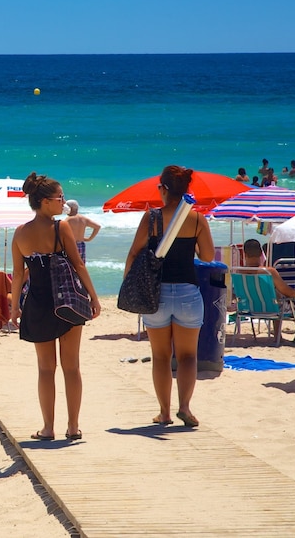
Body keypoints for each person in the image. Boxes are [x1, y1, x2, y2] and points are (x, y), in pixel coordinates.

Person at [9, 172, 99, 442]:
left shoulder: (20, 233)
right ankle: (72, 427)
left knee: (45, 369)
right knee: (71, 367)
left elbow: (17, 274)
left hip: (37, 303)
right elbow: (78, 265)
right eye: (60, 197)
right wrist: (94, 298)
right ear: (46, 202)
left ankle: (48, 428)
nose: (63, 202)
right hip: (67, 301)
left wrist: (14, 307)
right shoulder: (61, 228)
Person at [124, 166, 214, 427]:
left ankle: (164, 412)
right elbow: (207, 257)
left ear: (163, 188)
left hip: (156, 294)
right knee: (187, 356)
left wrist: (129, 284)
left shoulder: (151, 219)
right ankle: (184, 407)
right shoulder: (196, 219)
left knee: (161, 356)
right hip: (187, 292)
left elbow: (133, 253)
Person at [239, 239, 295, 343]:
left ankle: (277, 336)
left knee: (275, 297)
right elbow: (287, 291)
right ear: (261, 253)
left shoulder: (238, 271)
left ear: (244, 254)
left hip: (249, 308)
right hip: (272, 309)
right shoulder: (268, 272)